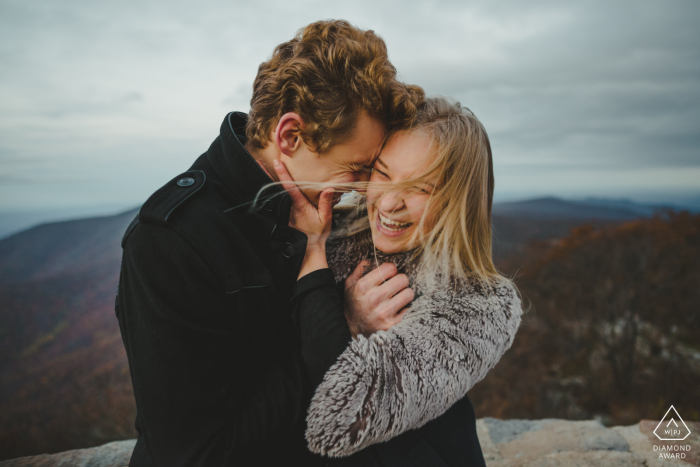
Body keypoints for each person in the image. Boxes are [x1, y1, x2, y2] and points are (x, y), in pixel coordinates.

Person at [115, 20, 423, 466]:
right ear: (290, 136)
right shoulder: (171, 243)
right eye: (356, 168)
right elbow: (195, 454)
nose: (363, 188)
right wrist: (342, 326)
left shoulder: (323, 205)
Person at [274, 96, 523, 466]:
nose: (390, 203)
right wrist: (347, 318)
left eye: (421, 188)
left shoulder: (481, 303)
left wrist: (317, 266)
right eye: (384, 173)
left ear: (459, 199)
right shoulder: (328, 230)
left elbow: (344, 418)